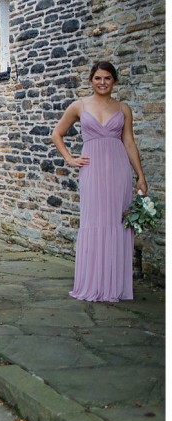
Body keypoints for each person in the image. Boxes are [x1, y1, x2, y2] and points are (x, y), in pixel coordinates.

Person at [52, 61, 146, 302]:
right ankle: (93, 282)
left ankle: (114, 285)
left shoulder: (123, 108)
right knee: (94, 220)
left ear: (114, 81)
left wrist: (140, 176)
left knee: (118, 221)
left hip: (118, 170)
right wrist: (70, 159)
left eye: (107, 78)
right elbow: (57, 134)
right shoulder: (79, 106)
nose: (102, 82)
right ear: (91, 80)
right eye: (98, 78)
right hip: (92, 169)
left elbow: (129, 142)